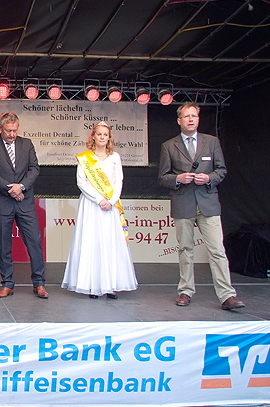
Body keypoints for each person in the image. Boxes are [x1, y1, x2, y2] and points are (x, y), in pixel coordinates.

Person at [158, 102, 245, 310]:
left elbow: (221, 171)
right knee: (185, 249)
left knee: (217, 250)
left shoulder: (212, 142)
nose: (190, 119)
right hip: (183, 202)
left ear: (198, 119)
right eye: (186, 116)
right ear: (179, 120)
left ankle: (227, 295)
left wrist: (208, 178)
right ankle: (185, 291)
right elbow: (162, 177)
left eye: (194, 116)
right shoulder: (169, 146)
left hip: (208, 202)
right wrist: (178, 178)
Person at [61, 122, 137, 299]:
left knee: (110, 242)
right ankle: (92, 285)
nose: (102, 137)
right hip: (91, 204)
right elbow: (81, 182)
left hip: (110, 206)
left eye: (105, 134)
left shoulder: (115, 157)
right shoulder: (85, 158)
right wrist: (98, 199)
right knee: (91, 242)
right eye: (99, 134)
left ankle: (110, 285)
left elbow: (118, 181)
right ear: (93, 136)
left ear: (109, 137)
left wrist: (111, 201)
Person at [0, 112, 48, 299]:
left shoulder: (27, 144)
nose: (12, 134)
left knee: (34, 242)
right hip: (3, 202)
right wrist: (11, 189)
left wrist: (22, 187)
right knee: (4, 246)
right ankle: (7, 284)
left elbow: (34, 169)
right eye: (8, 131)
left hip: (25, 202)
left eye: (15, 131)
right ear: (1, 128)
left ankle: (39, 283)